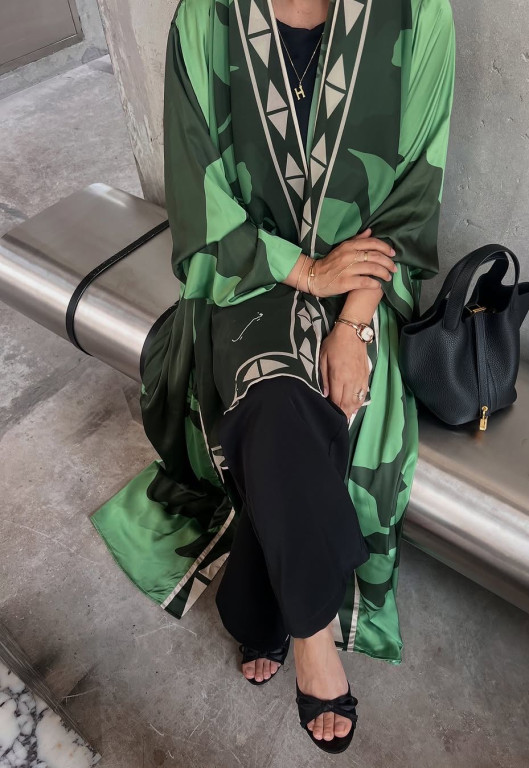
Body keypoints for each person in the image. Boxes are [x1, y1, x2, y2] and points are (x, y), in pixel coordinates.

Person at [91, 0, 456, 754]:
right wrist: (304, 271)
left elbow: (413, 196)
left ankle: (258, 611)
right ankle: (313, 640)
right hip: (247, 276)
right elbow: (197, 193)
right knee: (275, 392)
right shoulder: (205, 17)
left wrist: (351, 325)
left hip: (366, 287)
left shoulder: (418, 13)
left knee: (313, 399)